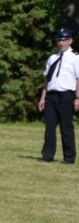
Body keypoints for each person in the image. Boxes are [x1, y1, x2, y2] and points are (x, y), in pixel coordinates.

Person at [38, 27, 79, 164]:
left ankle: (69, 157)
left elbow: (78, 79)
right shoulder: (52, 58)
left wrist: (77, 98)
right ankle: (47, 155)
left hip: (67, 96)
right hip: (51, 96)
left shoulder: (75, 58)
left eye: (64, 40)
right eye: (59, 40)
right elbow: (47, 79)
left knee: (66, 127)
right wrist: (43, 97)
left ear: (70, 41)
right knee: (49, 126)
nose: (61, 43)